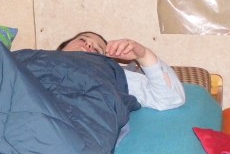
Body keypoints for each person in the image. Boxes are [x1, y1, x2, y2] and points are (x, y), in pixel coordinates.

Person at [57, 31, 185, 111]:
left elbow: (170, 99)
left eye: (97, 50)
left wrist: (144, 55)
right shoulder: (44, 59)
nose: (89, 44)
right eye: (82, 39)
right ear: (62, 47)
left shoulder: (113, 77)